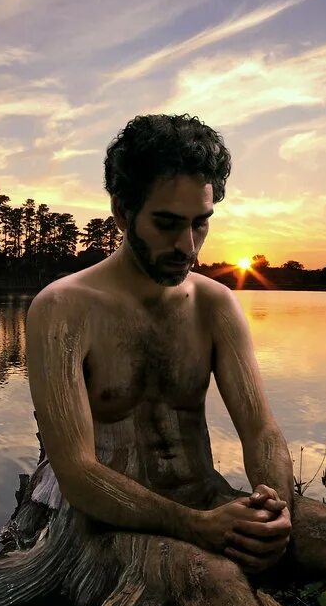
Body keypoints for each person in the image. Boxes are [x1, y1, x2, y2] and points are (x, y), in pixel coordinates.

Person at [25, 113, 293, 574]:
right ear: (123, 212)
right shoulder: (63, 308)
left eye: (201, 224)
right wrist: (197, 527)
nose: (188, 246)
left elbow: (261, 431)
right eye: (167, 223)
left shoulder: (216, 305)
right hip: (103, 523)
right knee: (217, 579)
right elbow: (76, 472)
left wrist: (276, 506)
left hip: (202, 499)